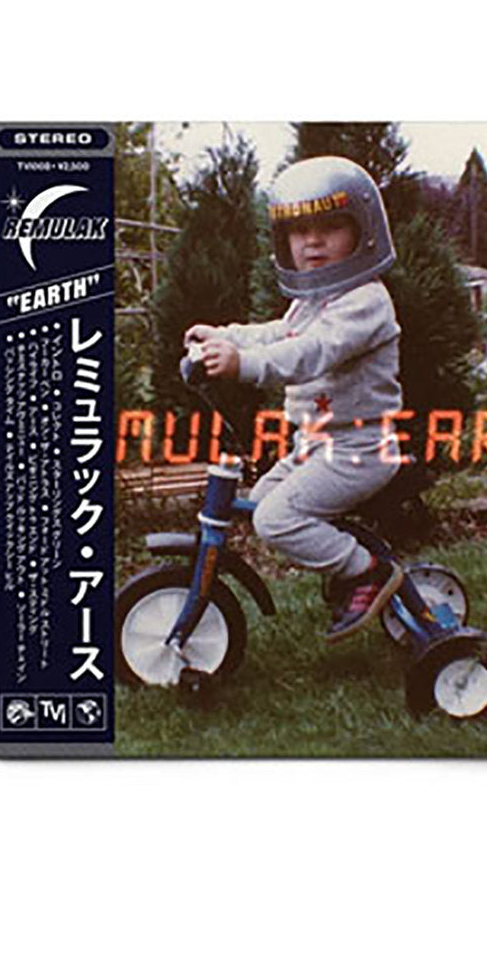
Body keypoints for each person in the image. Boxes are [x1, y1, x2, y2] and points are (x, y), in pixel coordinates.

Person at [184, 156, 404, 642]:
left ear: (364, 232)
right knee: (261, 503)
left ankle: (365, 571)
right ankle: (346, 564)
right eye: (299, 231)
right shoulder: (312, 300)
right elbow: (278, 333)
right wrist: (227, 336)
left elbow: (311, 351)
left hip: (359, 449)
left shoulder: (365, 301)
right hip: (318, 444)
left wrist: (243, 365)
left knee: (276, 519)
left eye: (330, 227)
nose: (312, 242)